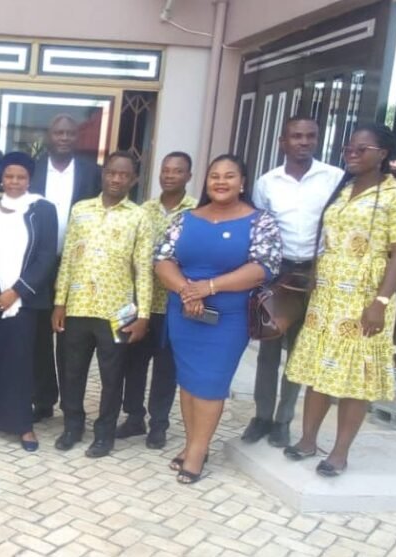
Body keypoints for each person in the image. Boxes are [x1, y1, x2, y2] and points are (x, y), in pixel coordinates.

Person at [283, 124, 396, 477]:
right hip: (327, 296)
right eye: (348, 148)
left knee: (354, 377)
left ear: (383, 154)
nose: (352, 154)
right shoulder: (342, 191)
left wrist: (381, 301)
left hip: (364, 298)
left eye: (361, 149)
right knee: (317, 371)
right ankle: (308, 440)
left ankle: (340, 452)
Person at [154, 154, 282, 484]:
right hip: (184, 310)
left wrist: (209, 287)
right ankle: (191, 442)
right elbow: (162, 259)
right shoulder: (186, 218)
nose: (221, 182)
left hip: (229, 316)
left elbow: (263, 267)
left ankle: (197, 452)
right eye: (214, 176)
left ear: (242, 182)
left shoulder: (260, 221)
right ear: (206, 181)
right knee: (189, 379)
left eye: (229, 176)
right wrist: (187, 291)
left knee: (211, 383)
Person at [244, 117, 344, 447]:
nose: (303, 142)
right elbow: (260, 230)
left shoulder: (334, 178)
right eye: (296, 136)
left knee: (299, 353)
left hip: (316, 273)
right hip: (278, 273)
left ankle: (283, 421)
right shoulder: (267, 183)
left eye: (310, 136)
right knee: (268, 348)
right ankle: (261, 417)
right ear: (282, 142)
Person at [52, 152, 152, 458]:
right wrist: (59, 302)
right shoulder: (81, 210)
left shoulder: (139, 216)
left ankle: (104, 433)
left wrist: (144, 314)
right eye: (111, 173)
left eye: (124, 175)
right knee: (71, 371)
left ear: (133, 179)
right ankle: (72, 425)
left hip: (118, 313)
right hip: (78, 307)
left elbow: (144, 268)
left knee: (112, 376)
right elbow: (68, 258)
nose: (117, 179)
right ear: (103, 175)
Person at [0, 152, 57, 451]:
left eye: (21, 177)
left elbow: (45, 258)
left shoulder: (42, 209)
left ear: (29, 179)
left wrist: (15, 292)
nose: (14, 182)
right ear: (1, 178)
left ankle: (22, 425)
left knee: (20, 361)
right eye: (9, 176)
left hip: (23, 298)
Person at [118, 152, 198, 449]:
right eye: (165, 170)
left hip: (173, 305)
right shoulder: (145, 210)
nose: (170, 175)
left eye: (177, 171)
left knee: (166, 367)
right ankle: (134, 417)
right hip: (140, 303)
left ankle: (159, 423)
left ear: (189, 176)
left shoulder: (197, 212)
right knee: (133, 363)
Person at [28, 114, 101, 422]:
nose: (64, 138)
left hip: (78, 265)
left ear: (77, 138)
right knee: (38, 335)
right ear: (49, 136)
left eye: (70, 133)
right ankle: (42, 399)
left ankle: (71, 406)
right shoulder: (33, 170)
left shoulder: (92, 173)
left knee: (70, 335)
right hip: (37, 263)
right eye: (58, 132)